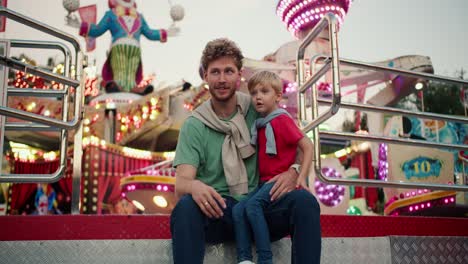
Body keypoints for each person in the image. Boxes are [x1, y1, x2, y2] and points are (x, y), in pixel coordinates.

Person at [170, 38, 321, 264]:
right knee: (185, 207)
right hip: (219, 211)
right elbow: (181, 184)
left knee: (305, 202)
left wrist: (294, 171)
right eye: (215, 72)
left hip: (259, 208)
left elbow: (298, 141)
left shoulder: (257, 106)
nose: (222, 79)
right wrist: (194, 186)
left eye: (229, 71)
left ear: (240, 74)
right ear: (205, 76)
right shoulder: (194, 125)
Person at [232, 71, 316, 264]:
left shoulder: (282, 120)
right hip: (262, 183)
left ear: (278, 96)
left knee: (252, 206)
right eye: (254, 93)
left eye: (264, 91)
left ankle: (265, 258)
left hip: (277, 181)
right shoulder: (260, 124)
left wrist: (301, 176)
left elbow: (307, 146)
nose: (258, 97)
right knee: (238, 210)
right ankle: (244, 259)